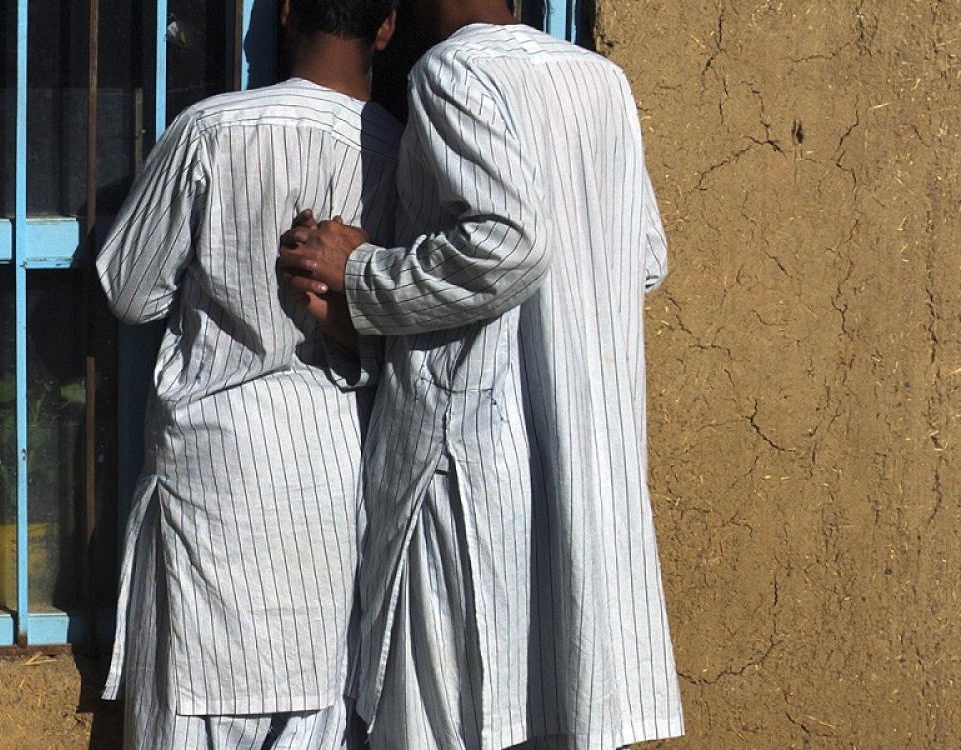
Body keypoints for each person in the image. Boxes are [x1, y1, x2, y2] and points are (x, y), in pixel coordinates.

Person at [277, 1, 682, 747]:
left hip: (467, 471)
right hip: (581, 470)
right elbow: (644, 257)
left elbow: (509, 242)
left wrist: (364, 270)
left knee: (447, 717)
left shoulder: (452, 71)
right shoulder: (599, 81)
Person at [94, 1, 404, 747]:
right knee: (316, 708)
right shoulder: (399, 152)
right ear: (387, 27)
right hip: (329, 483)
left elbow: (131, 291)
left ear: (288, 11)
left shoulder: (212, 131)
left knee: (190, 709)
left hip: (213, 479)